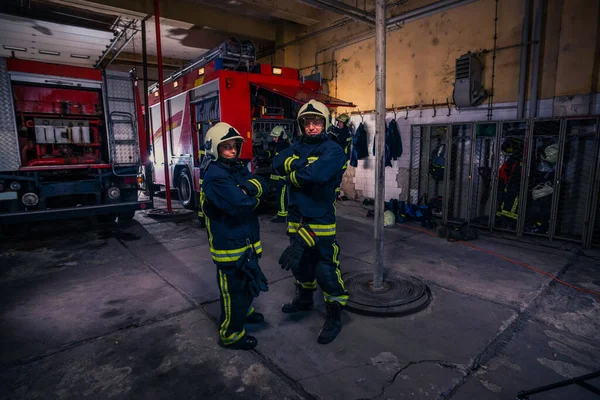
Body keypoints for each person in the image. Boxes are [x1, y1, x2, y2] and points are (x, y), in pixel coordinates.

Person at [273, 100, 349, 345]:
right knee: (301, 265)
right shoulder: (296, 146)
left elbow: (319, 175)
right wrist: (300, 165)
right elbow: (277, 162)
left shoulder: (333, 150)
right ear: (301, 124)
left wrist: (292, 176)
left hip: (320, 220)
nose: (312, 127)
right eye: (307, 122)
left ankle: (335, 315)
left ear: (324, 124)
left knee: (325, 269)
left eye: (317, 122)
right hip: (296, 219)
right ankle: (304, 300)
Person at [200, 122, 269, 351]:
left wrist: (248, 189)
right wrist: (252, 194)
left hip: (245, 241)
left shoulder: (235, 167)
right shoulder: (215, 176)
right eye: (226, 147)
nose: (232, 151)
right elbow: (241, 205)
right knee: (233, 291)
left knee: (247, 283)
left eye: (234, 146)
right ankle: (231, 334)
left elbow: (261, 184)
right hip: (229, 247)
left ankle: (245, 313)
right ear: (214, 149)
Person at [268, 126, 291, 223]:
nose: (274, 139)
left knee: (281, 197)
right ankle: (282, 214)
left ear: (281, 136)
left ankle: (282, 216)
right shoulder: (282, 145)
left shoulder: (283, 147)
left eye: (275, 137)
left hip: (282, 177)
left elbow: (280, 163)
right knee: (281, 196)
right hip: (280, 177)